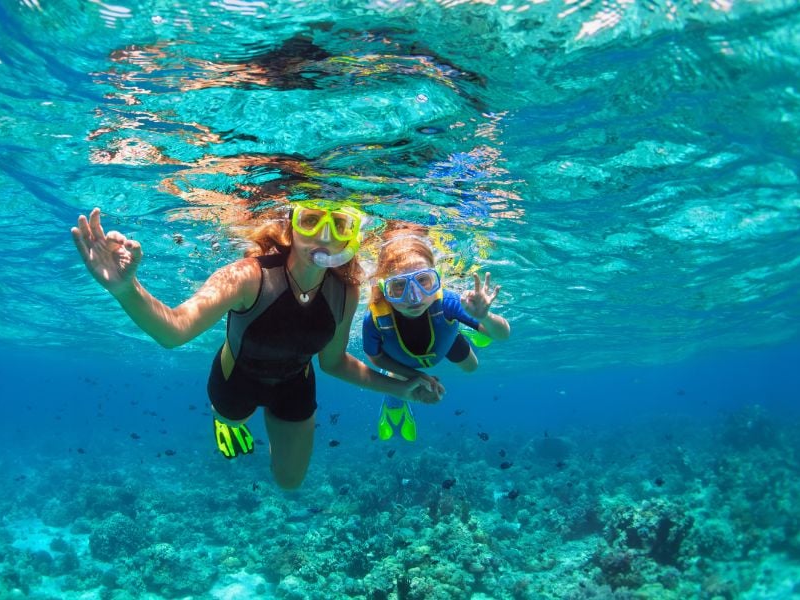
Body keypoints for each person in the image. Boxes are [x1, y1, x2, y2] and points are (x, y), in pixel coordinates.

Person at [71, 203, 439, 489]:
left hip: (296, 383)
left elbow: (334, 363)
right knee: (232, 419)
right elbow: (175, 331)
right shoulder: (248, 275)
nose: (324, 236)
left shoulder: (346, 291)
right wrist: (125, 289)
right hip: (237, 379)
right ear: (292, 226)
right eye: (311, 221)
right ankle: (225, 421)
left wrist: (402, 387)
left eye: (339, 225)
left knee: (290, 482)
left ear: (350, 237)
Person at [363, 227, 511, 442]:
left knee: (472, 367)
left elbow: (503, 335)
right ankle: (394, 406)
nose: (414, 298)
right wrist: (416, 376)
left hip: (445, 340)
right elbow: (375, 357)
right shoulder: (375, 318)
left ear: (437, 279)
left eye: (423, 281)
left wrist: (485, 317)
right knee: (397, 381)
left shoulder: (449, 302)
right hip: (400, 360)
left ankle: (466, 327)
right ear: (384, 288)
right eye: (399, 286)